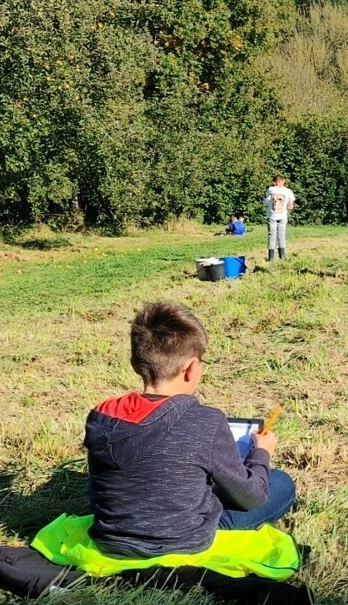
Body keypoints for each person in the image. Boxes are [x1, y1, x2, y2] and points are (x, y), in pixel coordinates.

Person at [84, 301, 296, 558]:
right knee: (280, 484)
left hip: (111, 540)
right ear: (192, 368)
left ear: (134, 363)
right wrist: (261, 452)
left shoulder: (101, 414)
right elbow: (251, 497)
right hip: (184, 541)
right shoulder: (206, 421)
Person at [264, 175, 296, 261]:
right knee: (281, 236)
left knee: (272, 236)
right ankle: (282, 256)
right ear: (283, 181)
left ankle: (271, 258)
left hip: (272, 216)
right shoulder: (288, 191)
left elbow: (266, 199)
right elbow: (291, 206)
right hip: (283, 216)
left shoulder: (271, 189)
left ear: (274, 182)